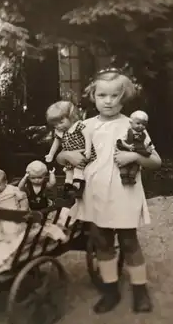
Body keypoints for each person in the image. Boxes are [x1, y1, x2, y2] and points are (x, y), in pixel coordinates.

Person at [56, 68, 162, 314]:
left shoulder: (132, 127)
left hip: (124, 192)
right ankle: (111, 289)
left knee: (128, 240)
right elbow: (62, 157)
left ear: (123, 97)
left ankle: (139, 289)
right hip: (95, 192)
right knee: (102, 240)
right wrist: (66, 155)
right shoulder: (84, 126)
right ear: (93, 96)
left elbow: (156, 161)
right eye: (102, 95)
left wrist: (134, 155)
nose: (109, 101)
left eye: (115, 96)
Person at [44, 101, 96, 198]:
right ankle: (68, 186)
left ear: (71, 117)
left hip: (81, 152)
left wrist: (88, 149)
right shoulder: (60, 131)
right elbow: (56, 142)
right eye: (55, 125)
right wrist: (51, 154)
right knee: (69, 171)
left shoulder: (78, 126)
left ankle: (78, 185)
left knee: (78, 169)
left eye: (61, 122)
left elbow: (87, 136)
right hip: (70, 155)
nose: (59, 126)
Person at [116, 110, 153, 185]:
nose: (141, 126)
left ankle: (132, 177)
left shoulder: (143, 134)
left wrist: (147, 148)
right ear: (131, 122)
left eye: (143, 125)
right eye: (138, 123)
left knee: (135, 166)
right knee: (124, 166)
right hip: (127, 149)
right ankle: (124, 178)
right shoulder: (127, 131)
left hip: (138, 151)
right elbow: (120, 140)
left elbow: (146, 143)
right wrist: (127, 146)